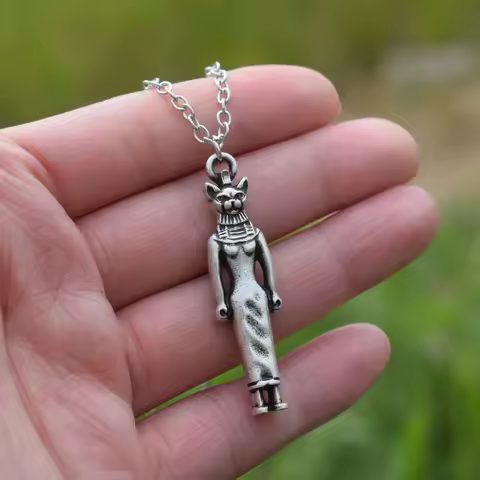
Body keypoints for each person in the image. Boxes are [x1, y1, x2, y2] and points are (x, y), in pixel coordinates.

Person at [0, 65, 437, 479]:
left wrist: (273, 291)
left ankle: (273, 393)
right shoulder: (216, 240)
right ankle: (261, 394)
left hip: (258, 294)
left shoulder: (252, 232)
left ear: (240, 195)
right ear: (214, 199)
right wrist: (224, 303)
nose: (229, 202)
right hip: (240, 298)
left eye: (234, 197)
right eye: (222, 199)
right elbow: (218, 275)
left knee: (265, 343)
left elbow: (264, 263)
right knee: (250, 347)